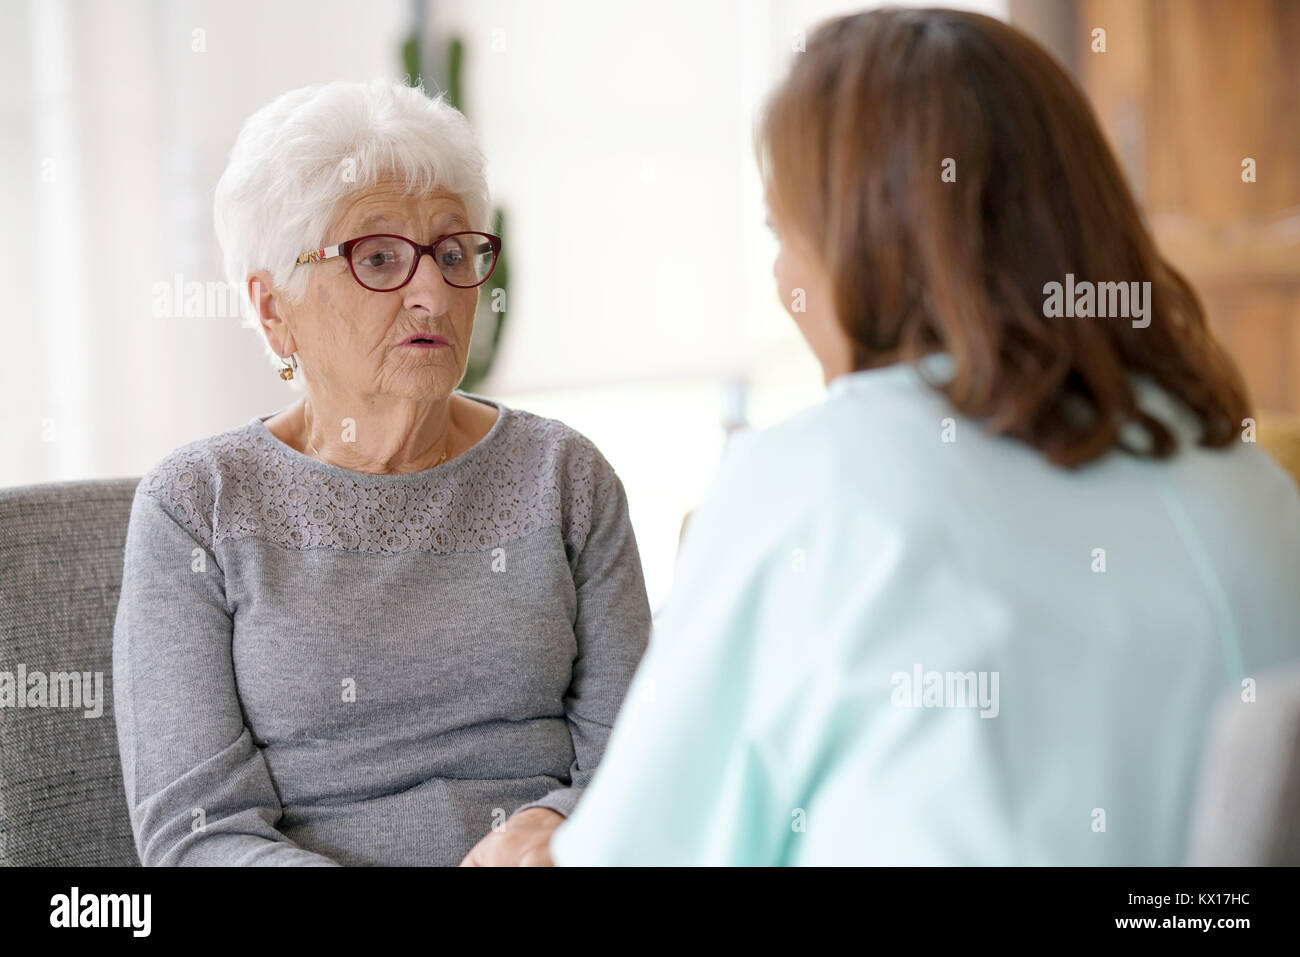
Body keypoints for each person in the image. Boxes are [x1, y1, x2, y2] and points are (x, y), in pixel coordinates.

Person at [548, 7, 1300, 865]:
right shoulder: (1249, 482)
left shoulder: (813, 484)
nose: (780, 276)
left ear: (859, 247)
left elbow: (640, 852)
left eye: (780, 232)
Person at [112, 79, 651, 866]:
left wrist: (558, 828)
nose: (432, 293)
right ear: (273, 310)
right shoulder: (197, 507)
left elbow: (641, 760)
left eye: (454, 251)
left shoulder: (565, 477)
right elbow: (196, 833)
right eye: (377, 257)